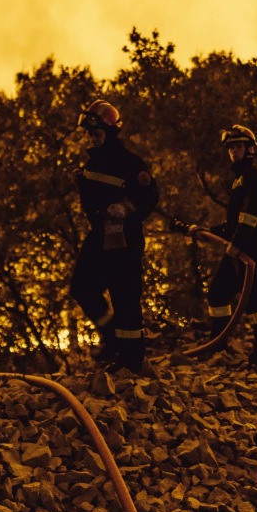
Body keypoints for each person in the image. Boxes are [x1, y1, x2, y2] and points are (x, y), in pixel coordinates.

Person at [70, 100, 159, 373]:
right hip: (100, 238)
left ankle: (132, 362)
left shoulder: (130, 163)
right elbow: (94, 197)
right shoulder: (92, 163)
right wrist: (83, 181)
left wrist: (125, 207)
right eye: (89, 134)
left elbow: (149, 196)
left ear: (110, 132)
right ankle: (111, 336)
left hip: (125, 241)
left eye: (96, 134)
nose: (91, 138)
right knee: (82, 287)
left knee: (125, 299)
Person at [193, 125, 257, 364]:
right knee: (218, 292)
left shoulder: (253, 176)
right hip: (237, 248)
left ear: (249, 149)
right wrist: (209, 232)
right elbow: (236, 221)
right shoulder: (240, 179)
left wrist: (237, 244)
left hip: (250, 249)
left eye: (237, 147)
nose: (233, 152)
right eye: (230, 148)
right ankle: (218, 344)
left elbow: (252, 216)